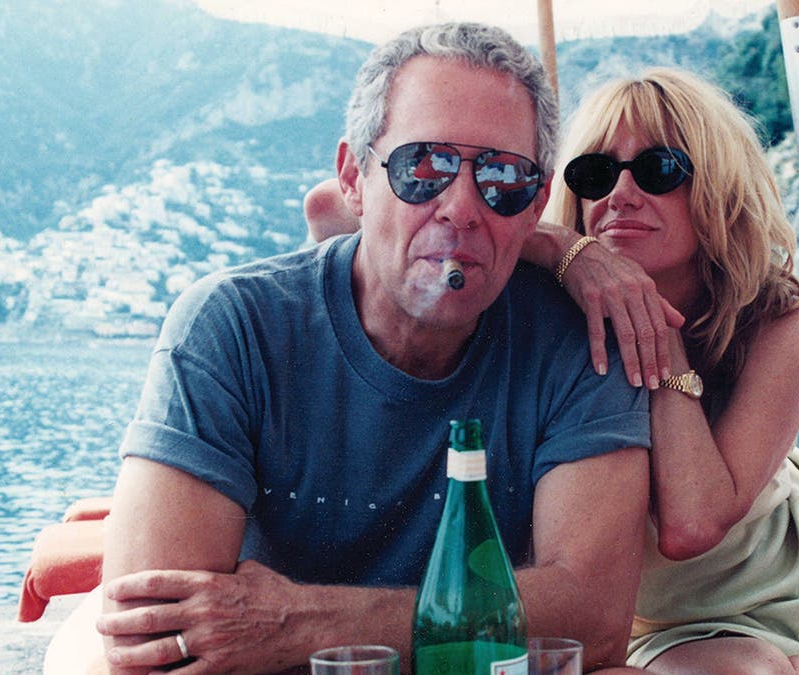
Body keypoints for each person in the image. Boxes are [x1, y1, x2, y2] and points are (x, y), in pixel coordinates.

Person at [308, 65, 799, 673]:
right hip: (668, 619)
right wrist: (556, 245)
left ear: (713, 187)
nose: (619, 193)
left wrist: (650, 329)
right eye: (593, 177)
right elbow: (330, 206)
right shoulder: (539, 292)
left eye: (657, 170)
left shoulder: (780, 317)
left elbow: (694, 519)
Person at [93, 23, 651, 674]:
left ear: (535, 206)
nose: (462, 207)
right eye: (425, 167)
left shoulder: (576, 338)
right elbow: (154, 639)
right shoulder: (234, 327)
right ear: (355, 179)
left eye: (502, 177)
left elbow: (596, 620)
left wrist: (298, 621)